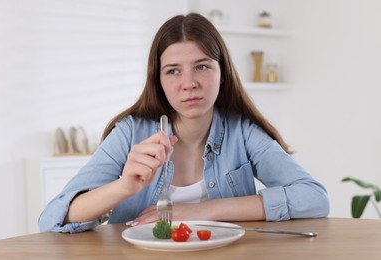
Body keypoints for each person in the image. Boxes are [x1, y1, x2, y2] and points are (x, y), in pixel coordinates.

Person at [38, 13, 329, 233]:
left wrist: (201, 211)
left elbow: (315, 198)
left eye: (202, 66)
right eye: (173, 71)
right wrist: (124, 186)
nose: (189, 84)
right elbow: (52, 218)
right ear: (159, 80)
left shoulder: (243, 132)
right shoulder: (130, 133)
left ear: (222, 73)